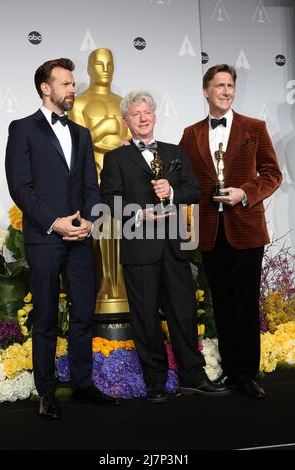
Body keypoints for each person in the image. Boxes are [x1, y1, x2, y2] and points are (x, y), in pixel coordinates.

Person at [5, 58, 118, 419]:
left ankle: (83, 385)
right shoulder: (22, 128)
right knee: (47, 317)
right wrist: (56, 222)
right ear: (46, 88)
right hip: (46, 237)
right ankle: (47, 391)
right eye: (67, 84)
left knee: (84, 312)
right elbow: (20, 187)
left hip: (81, 236)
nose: (73, 89)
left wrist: (88, 219)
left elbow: (90, 184)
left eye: (73, 83)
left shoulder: (82, 133)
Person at [100, 90, 230, 403]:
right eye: (136, 114)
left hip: (174, 247)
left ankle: (194, 377)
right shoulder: (116, 157)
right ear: (125, 121)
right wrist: (136, 212)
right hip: (139, 248)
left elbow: (194, 190)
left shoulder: (175, 152)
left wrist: (171, 191)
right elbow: (107, 202)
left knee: (184, 314)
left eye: (147, 112)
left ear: (155, 116)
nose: (143, 118)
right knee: (145, 318)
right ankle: (155, 381)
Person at [180, 64, 282, 399]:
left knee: (245, 305)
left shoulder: (254, 127)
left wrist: (246, 193)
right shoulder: (191, 133)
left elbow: (272, 173)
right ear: (206, 90)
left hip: (246, 228)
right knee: (222, 305)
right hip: (211, 231)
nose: (226, 91)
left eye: (231, 85)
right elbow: (179, 177)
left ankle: (247, 374)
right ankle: (229, 369)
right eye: (219, 85)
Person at [69, 48, 130, 308]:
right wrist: (107, 130)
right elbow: (76, 141)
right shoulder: (79, 102)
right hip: (91, 172)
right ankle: (102, 283)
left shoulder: (123, 101)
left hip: (120, 175)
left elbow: (129, 141)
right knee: (97, 230)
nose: (105, 70)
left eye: (109, 64)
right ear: (90, 68)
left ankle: (122, 284)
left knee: (122, 228)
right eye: (99, 64)